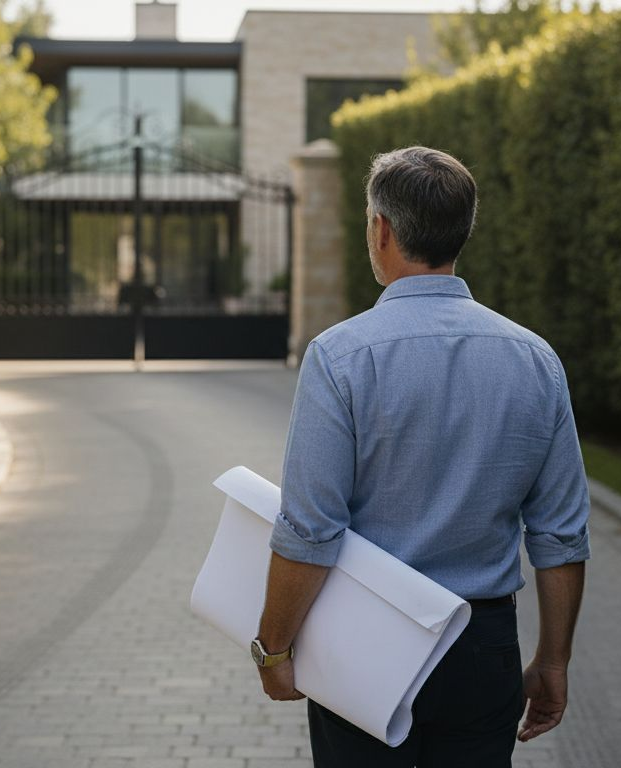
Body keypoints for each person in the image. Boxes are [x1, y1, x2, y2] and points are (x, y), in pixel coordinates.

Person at [249, 146, 590, 767]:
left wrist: (273, 648)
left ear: (381, 229)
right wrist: (553, 660)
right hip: (482, 647)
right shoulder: (536, 360)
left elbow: (311, 528)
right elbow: (561, 535)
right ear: (462, 231)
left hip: (364, 639)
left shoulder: (340, 356)